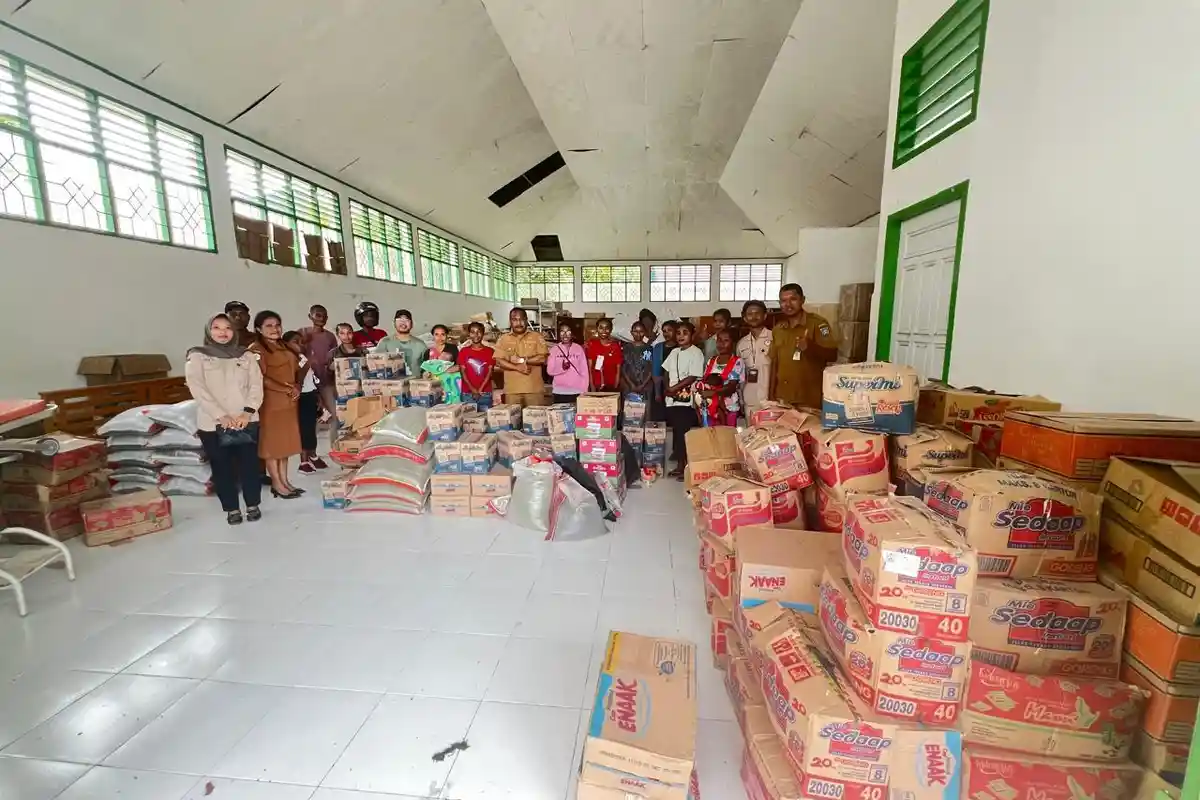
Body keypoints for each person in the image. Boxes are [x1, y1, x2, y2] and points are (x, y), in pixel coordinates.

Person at [185, 313, 264, 525]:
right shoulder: (197, 356)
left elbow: (256, 385)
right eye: (217, 327)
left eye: (227, 327)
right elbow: (197, 388)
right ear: (208, 331)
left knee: (249, 465)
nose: (223, 332)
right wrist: (220, 415)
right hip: (213, 423)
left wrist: (247, 412)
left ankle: (253, 504)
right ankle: (231, 509)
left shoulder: (246, 356)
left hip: (246, 420)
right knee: (222, 467)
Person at [249, 310, 303, 499]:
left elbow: (299, 368)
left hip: (289, 402)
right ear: (259, 329)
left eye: (277, 325)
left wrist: (297, 386)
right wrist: (286, 389)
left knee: (285, 443)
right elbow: (260, 378)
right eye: (269, 326)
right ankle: (277, 484)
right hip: (270, 403)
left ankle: (285, 481)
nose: (275, 329)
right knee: (272, 446)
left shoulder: (286, 346)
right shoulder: (256, 350)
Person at [768, 283, 838, 409]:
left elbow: (833, 355)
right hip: (783, 398)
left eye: (793, 299)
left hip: (809, 400)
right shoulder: (778, 329)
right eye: (783, 301)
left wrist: (810, 347)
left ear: (802, 300)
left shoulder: (817, 324)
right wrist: (771, 396)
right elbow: (774, 364)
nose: (788, 304)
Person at [662, 322, 705, 479]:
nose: (681, 336)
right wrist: (668, 387)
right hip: (672, 399)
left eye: (685, 333)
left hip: (686, 401)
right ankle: (680, 465)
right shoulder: (674, 352)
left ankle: (685, 467)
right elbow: (666, 371)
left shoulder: (696, 353)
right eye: (678, 333)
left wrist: (674, 388)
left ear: (692, 335)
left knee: (683, 433)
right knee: (677, 432)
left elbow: (693, 376)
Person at [283, 331, 323, 474]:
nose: (300, 345)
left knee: (311, 427)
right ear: (286, 344)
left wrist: (318, 397)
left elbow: (311, 379)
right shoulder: (288, 358)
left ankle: (313, 455)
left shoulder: (302, 356)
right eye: (295, 342)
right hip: (300, 397)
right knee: (304, 429)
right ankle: (304, 461)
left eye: (302, 342)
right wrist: (307, 365)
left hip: (310, 394)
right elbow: (296, 377)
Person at [495, 307, 549, 407]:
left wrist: (522, 360)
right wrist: (518, 367)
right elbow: (499, 361)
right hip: (512, 391)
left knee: (535, 417)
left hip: (534, 390)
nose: (518, 323)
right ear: (510, 321)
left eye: (521, 319)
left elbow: (542, 358)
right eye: (514, 320)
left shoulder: (537, 337)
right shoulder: (503, 339)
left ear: (526, 320)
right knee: (513, 417)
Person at [300, 304, 337, 444]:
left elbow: (333, 358)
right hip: (307, 384)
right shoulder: (302, 333)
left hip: (326, 381)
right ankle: (309, 451)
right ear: (310, 316)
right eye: (318, 315)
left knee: (334, 415)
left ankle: (334, 447)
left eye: (324, 316)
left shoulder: (330, 336)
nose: (321, 318)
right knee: (310, 418)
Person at [701, 330, 744, 427]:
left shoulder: (737, 361)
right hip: (710, 408)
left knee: (727, 434)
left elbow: (731, 387)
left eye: (726, 340)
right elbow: (705, 381)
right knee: (710, 434)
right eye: (719, 340)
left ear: (733, 343)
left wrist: (714, 393)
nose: (722, 344)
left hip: (729, 408)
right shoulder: (711, 361)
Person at [737, 299, 773, 414]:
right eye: (750, 314)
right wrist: (741, 400)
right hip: (749, 400)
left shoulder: (774, 338)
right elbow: (739, 374)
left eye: (757, 313)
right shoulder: (741, 344)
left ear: (765, 315)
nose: (754, 317)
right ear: (744, 318)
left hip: (770, 400)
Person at [374, 309, 427, 376]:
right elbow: (377, 365)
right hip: (392, 382)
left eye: (406, 320)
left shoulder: (420, 344)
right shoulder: (385, 342)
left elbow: (427, 367)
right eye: (399, 320)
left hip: (415, 381)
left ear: (412, 324)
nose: (403, 323)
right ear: (394, 323)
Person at [457, 322, 496, 408]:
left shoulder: (490, 351)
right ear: (469, 334)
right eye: (473, 332)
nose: (476, 335)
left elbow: (489, 373)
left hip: (485, 393)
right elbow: (463, 373)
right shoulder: (464, 351)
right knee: (469, 417)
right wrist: (473, 390)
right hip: (467, 394)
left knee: (485, 416)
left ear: (483, 333)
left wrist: (480, 390)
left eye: (479, 332)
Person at [547, 322, 588, 404]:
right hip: (559, 391)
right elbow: (550, 371)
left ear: (572, 334)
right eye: (562, 331)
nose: (565, 335)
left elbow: (584, 371)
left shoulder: (578, 348)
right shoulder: (554, 350)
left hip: (577, 391)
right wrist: (562, 368)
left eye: (568, 331)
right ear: (559, 333)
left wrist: (585, 390)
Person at [652, 319, 679, 423]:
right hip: (662, 384)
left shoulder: (681, 346)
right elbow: (655, 370)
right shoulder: (659, 347)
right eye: (664, 331)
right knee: (661, 415)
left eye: (669, 330)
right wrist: (657, 392)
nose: (666, 333)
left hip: (679, 385)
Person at [585, 317, 623, 392]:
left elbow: (618, 369)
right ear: (597, 329)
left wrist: (616, 386)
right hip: (597, 385)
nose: (604, 331)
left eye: (607, 328)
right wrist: (592, 387)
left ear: (611, 329)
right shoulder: (592, 345)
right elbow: (590, 369)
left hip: (612, 385)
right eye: (601, 328)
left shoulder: (616, 346)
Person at [621, 321, 655, 401]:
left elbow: (650, 368)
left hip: (645, 385)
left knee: (645, 407)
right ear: (631, 332)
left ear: (645, 332)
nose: (638, 334)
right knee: (629, 407)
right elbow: (623, 368)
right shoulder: (626, 348)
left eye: (641, 331)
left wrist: (643, 385)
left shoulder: (648, 349)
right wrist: (631, 384)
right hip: (628, 385)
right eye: (635, 331)